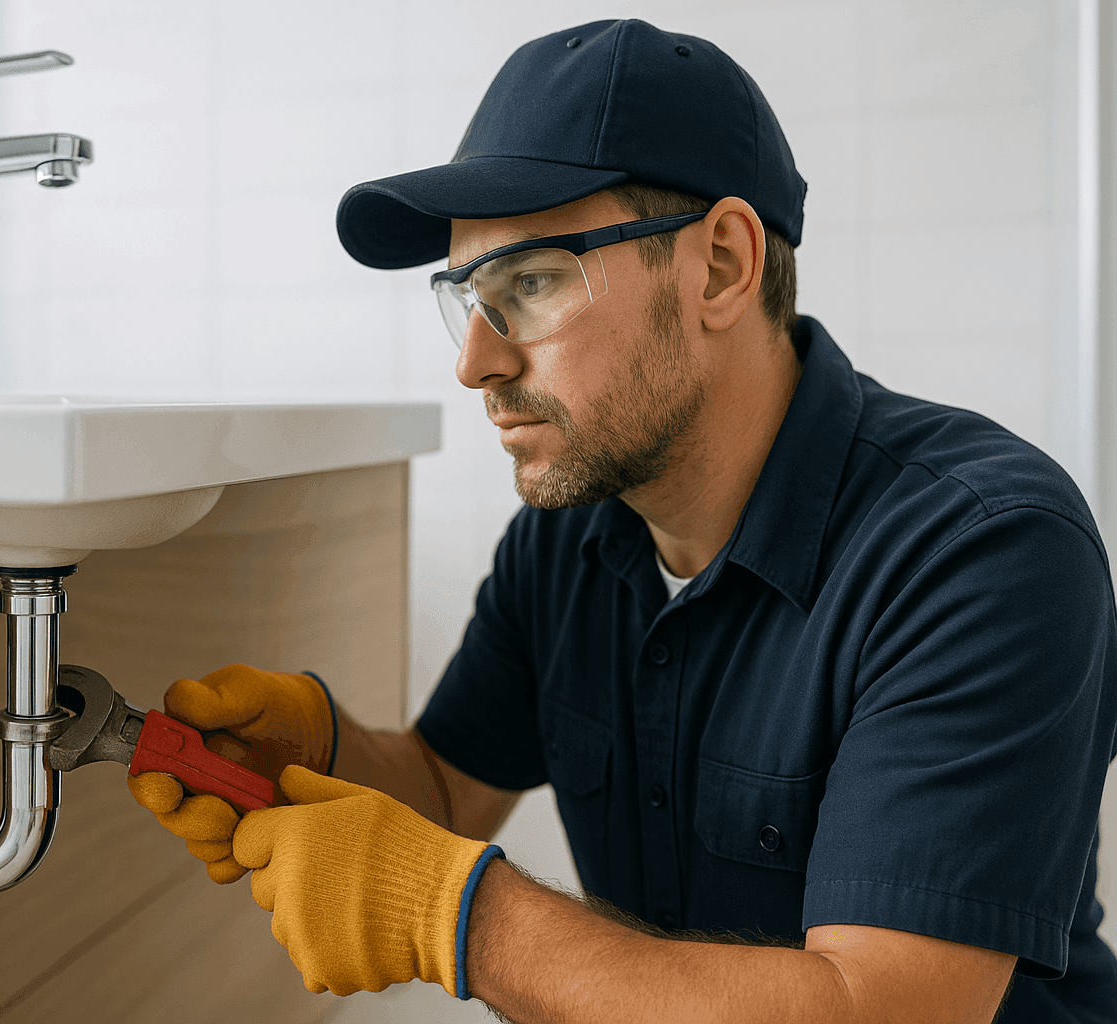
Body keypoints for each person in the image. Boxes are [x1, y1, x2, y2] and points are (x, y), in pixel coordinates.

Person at [127, 18, 1117, 1022]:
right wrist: (323, 750)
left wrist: (459, 916)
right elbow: (446, 783)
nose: (475, 363)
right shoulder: (570, 535)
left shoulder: (983, 552)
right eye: (469, 295)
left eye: (533, 281)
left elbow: (886, 1009)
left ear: (721, 266)